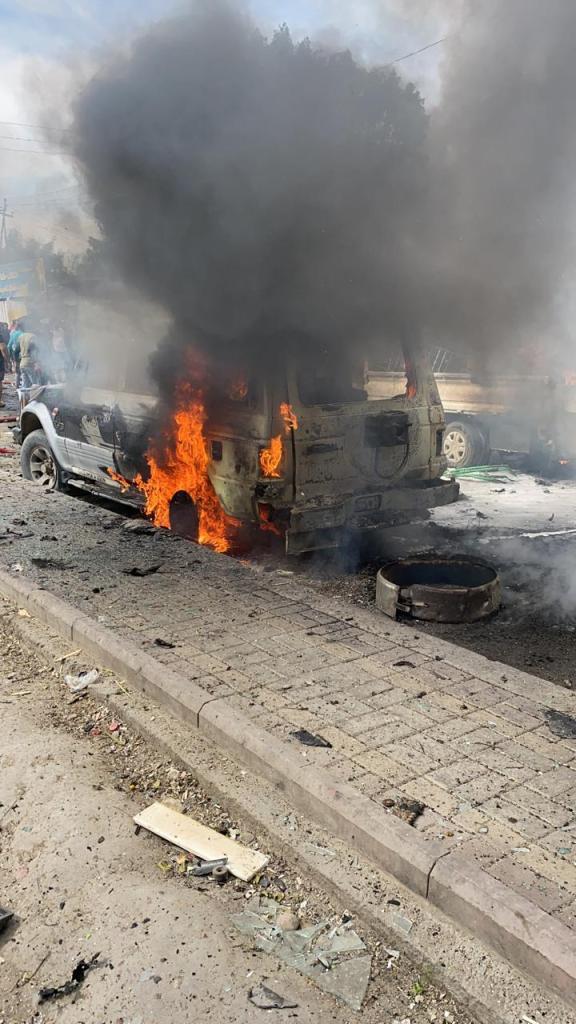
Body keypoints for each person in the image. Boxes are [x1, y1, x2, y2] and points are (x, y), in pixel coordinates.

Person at [8, 319, 24, 386]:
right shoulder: (23, 334)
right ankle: (25, 386)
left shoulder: (13, 334)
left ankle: (17, 386)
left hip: (15, 355)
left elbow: (9, 346)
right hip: (23, 354)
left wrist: (10, 356)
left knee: (17, 372)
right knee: (23, 371)